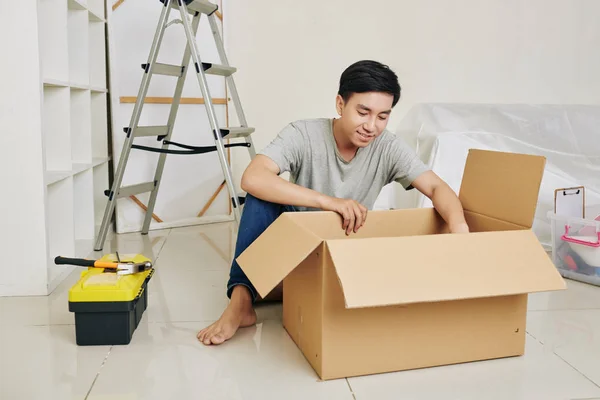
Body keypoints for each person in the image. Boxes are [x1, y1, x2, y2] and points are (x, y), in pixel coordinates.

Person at [197, 60, 469, 346]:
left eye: (382, 116)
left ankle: (278, 289)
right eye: (363, 112)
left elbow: (437, 186)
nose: (371, 126)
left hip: (341, 251)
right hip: (291, 246)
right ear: (340, 104)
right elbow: (252, 177)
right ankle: (240, 303)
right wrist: (329, 202)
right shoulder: (303, 134)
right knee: (260, 197)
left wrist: (459, 226)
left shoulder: (387, 147)